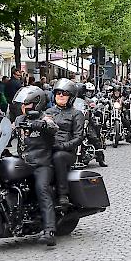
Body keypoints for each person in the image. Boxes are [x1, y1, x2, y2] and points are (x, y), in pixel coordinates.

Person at [14, 86, 59, 246]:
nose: (22, 108)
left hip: (41, 164)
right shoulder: (19, 120)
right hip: (23, 163)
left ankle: (49, 230)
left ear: (36, 104)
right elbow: (7, 132)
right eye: (22, 105)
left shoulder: (46, 118)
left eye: (25, 105)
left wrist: (40, 125)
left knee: (42, 189)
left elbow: (54, 128)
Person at [45, 78, 84, 207]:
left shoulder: (76, 114)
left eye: (64, 93)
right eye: (58, 93)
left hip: (66, 152)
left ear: (71, 97)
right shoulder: (48, 112)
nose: (60, 95)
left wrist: (62, 146)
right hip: (48, 148)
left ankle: (63, 194)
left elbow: (78, 138)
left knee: (58, 157)